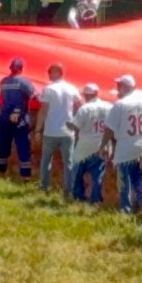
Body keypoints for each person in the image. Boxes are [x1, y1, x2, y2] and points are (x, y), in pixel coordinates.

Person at [100, 75, 142, 213]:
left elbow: (110, 128)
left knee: (124, 180)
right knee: (139, 178)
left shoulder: (120, 104)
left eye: (119, 85)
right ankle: (141, 205)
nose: (117, 88)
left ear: (126, 87)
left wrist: (103, 145)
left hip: (126, 147)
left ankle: (126, 209)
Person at [34, 63, 81, 193]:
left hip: (51, 131)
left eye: (50, 72)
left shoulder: (49, 89)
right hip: (68, 132)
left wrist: (38, 130)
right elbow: (80, 107)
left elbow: (43, 111)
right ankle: (69, 190)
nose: (48, 74)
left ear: (58, 73)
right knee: (68, 163)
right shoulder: (72, 88)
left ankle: (44, 187)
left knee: (46, 161)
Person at [68, 84, 112, 203]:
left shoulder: (85, 108)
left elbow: (75, 126)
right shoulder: (109, 106)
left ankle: (78, 196)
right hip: (102, 144)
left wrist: (67, 123)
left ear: (85, 95)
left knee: (78, 172)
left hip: (85, 145)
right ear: (97, 93)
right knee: (98, 174)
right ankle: (96, 199)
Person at [0, 58, 37, 179]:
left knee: (3, 145)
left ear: (10, 68)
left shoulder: (3, 81)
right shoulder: (24, 82)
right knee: (23, 145)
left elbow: (2, 97)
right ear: (21, 69)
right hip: (20, 119)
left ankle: (0, 172)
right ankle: (25, 176)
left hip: (4, 117)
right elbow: (34, 95)